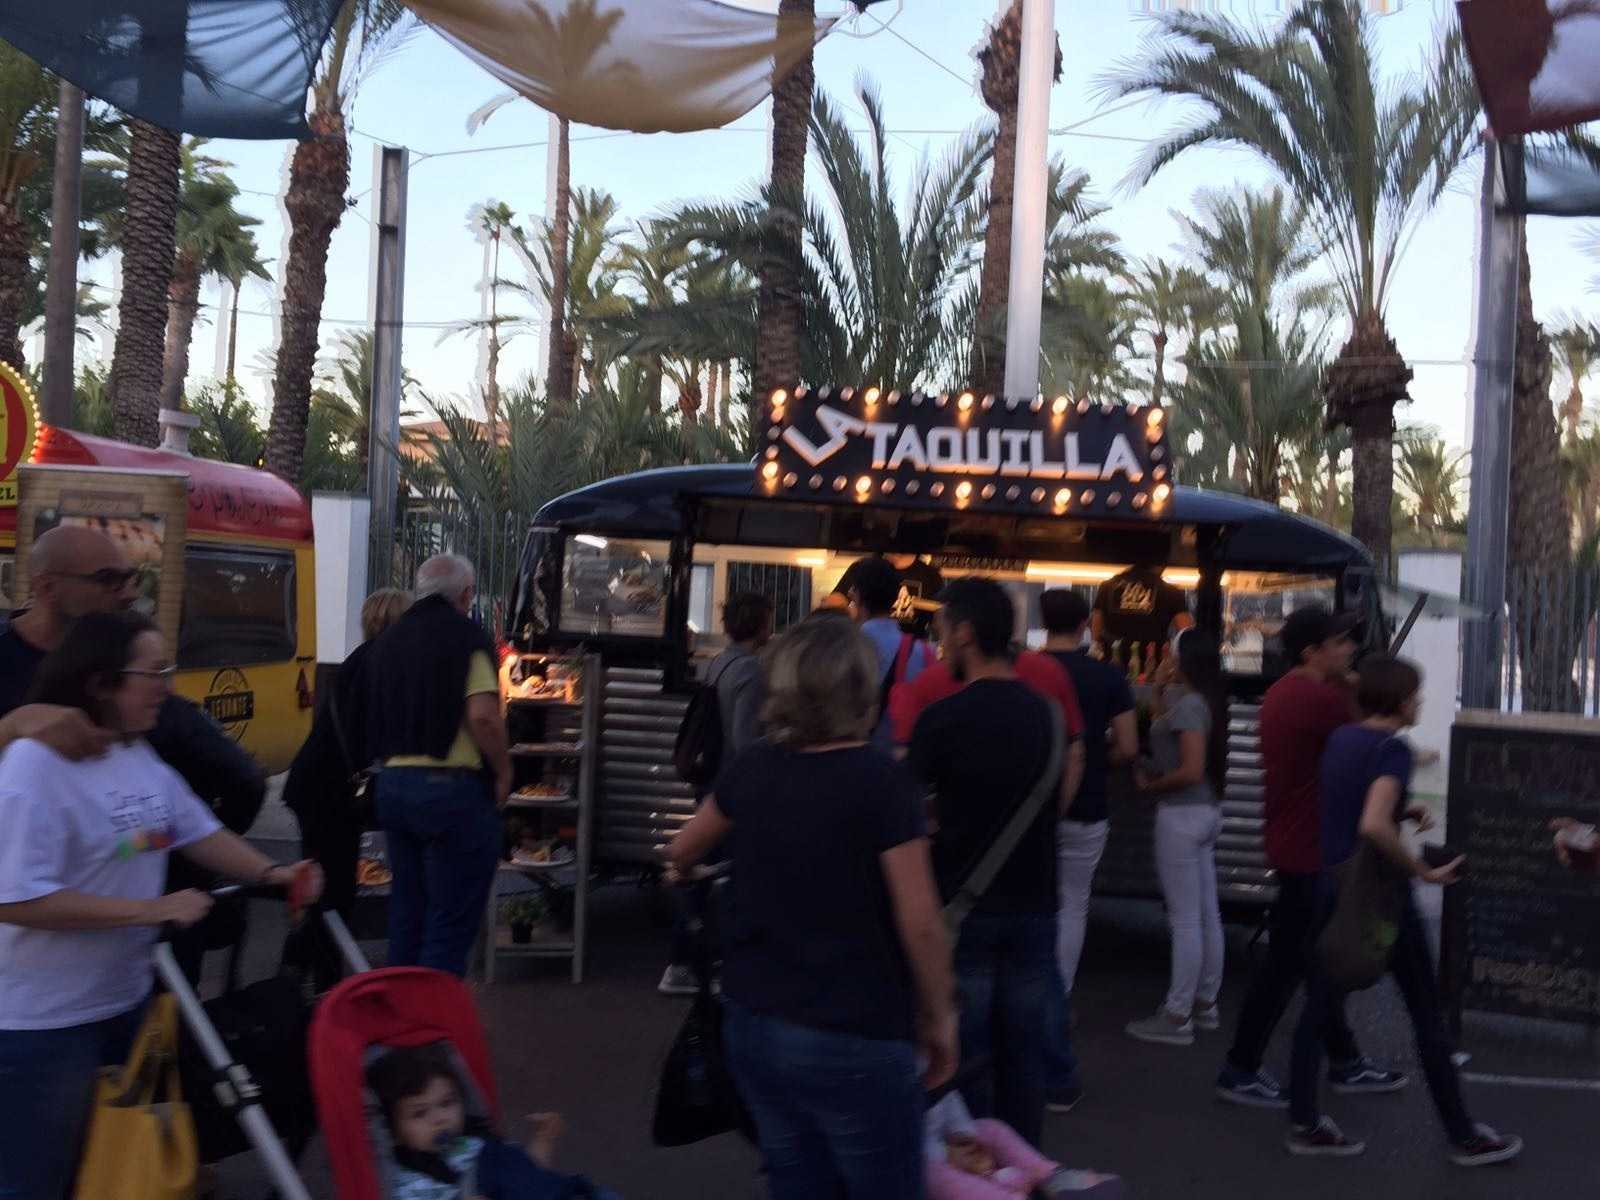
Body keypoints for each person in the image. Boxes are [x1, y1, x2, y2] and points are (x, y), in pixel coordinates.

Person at [0, 609, 323, 1200]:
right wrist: (150, 911)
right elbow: (16, 898)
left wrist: (275, 872)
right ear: (101, 681)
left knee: (111, 1171)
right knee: (38, 1178)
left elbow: (189, 829)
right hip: (45, 1027)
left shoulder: (136, 757)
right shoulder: (34, 768)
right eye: (155, 672)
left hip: (126, 1009)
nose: (169, 685)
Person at [668, 612, 957, 1200]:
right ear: (861, 690)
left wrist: (691, 871)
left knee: (796, 1181)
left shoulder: (753, 768)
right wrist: (939, 1014)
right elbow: (920, 921)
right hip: (856, 1030)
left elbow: (682, 849)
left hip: (754, 1021)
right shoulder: (881, 783)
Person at [0, 524, 267, 982]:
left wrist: (161, 856)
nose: (127, 593)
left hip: (132, 951)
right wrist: (12, 727)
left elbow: (232, 784)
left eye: (131, 578)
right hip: (29, 962)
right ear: (46, 585)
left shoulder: (136, 681)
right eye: (109, 579)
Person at [1286, 655, 1522, 1167]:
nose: (1419, 701)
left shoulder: (1345, 738)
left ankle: (1305, 1121)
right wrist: (1422, 870)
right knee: (1426, 1017)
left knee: (1319, 1007)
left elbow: (1356, 808)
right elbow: (1372, 823)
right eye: (1413, 693)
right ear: (1397, 699)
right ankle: (1464, 1135)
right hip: (1381, 899)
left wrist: (1403, 810)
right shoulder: (1393, 749)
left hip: (1333, 888)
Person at [908, 579, 1076, 1147]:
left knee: (967, 1054)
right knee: (1024, 1053)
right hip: (1035, 903)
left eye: (942, 634)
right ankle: (1024, 1163)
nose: (939, 647)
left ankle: (978, 1169)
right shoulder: (1049, 717)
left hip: (964, 907)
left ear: (966, 633)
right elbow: (1056, 798)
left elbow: (908, 813)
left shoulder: (941, 720)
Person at [1217, 606, 1405, 1105]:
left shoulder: (1286, 692)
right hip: (1309, 849)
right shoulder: (1314, 698)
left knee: (1311, 962)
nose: (1349, 650)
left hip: (1297, 842)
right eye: (1340, 642)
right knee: (1292, 964)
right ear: (1311, 652)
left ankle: (1342, 1060)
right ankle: (1241, 1066)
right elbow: (1376, 729)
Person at [366, 555, 511, 977]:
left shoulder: (389, 641)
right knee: (448, 923)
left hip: (393, 787)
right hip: (451, 790)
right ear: (466, 595)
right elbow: (483, 716)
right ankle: (433, 1030)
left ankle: (402, 1026)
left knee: (406, 917)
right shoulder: (469, 637)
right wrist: (503, 770)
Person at [283, 587, 411, 986]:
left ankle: (310, 974)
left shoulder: (362, 659)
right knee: (332, 890)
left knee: (328, 884)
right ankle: (313, 982)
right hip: (328, 791)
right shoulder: (382, 664)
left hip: (317, 785)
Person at [658, 591, 774, 996]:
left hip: (708, 781)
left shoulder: (717, 663)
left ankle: (683, 962)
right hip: (730, 789)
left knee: (699, 871)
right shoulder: (751, 672)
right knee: (723, 875)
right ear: (761, 624)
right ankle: (703, 965)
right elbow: (744, 740)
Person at [1038, 590, 1137, 1000]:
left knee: (1029, 903)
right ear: (1084, 626)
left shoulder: (1024, 669)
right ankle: (1057, 997)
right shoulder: (1109, 676)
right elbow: (1129, 747)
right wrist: (1097, 759)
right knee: (1073, 904)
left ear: (1043, 622)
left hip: (1029, 806)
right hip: (1088, 803)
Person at [1126, 630, 1224, 1046]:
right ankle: (1205, 1003)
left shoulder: (1190, 707)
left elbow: (1189, 770)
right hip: (1204, 813)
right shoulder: (1198, 700)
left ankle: (1177, 1014)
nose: (1166, 655)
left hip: (1181, 815)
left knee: (1185, 918)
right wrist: (1162, 685)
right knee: (1206, 913)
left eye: (1172, 651)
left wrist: (1151, 787)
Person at [367, 1043, 618, 1199]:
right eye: (420, 1114)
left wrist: (545, 1139)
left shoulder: (473, 1143)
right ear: (395, 1132)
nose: (439, 1118)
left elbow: (528, 1179)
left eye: (447, 1103)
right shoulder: (411, 1181)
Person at [844, 556, 933, 748]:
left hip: (848, 757)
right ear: (895, 597)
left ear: (856, 595)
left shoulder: (839, 649)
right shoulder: (925, 653)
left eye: (852, 588)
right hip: (898, 762)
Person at [1090, 563, 1192, 660]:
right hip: (1152, 666)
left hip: (1112, 664)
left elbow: (1096, 633)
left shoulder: (1107, 586)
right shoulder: (1170, 591)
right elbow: (1187, 633)